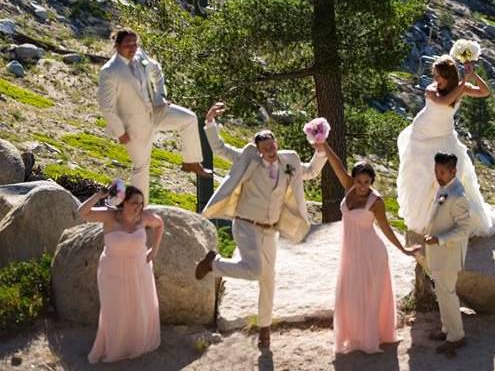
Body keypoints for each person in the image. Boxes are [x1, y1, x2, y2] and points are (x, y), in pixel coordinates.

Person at [194, 102, 327, 349]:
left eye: (272, 145)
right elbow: (220, 149)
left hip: (271, 229)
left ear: (276, 143)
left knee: (268, 279)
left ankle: (264, 328)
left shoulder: (290, 160)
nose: (270, 150)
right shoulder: (249, 157)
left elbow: (309, 172)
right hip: (246, 224)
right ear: (258, 149)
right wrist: (210, 123)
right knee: (255, 271)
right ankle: (214, 264)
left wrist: (320, 152)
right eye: (265, 147)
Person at [396, 55, 495, 299]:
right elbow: (445, 101)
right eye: (435, 76)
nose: (435, 79)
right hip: (423, 137)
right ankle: (426, 221)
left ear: (449, 76)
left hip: (445, 139)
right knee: (424, 181)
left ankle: (450, 220)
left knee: (456, 180)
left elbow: (485, 92)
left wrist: (471, 76)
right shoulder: (432, 90)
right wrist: (462, 85)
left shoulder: (460, 87)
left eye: (439, 76)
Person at [321, 142, 421, 354]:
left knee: (369, 296)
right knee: (349, 294)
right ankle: (354, 335)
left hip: (371, 254)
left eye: (367, 182)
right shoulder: (349, 188)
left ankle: (371, 337)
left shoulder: (376, 202)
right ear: (354, 180)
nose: (362, 186)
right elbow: (336, 164)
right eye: (359, 181)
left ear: (372, 182)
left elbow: (386, 229)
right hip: (350, 253)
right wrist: (323, 145)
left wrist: (403, 249)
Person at [97, 28, 212, 204]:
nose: (133, 47)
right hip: (134, 126)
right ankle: (140, 207)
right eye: (128, 44)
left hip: (156, 111)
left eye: (135, 43)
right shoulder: (110, 71)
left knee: (189, 119)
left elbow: (156, 70)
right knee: (141, 166)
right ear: (117, 45)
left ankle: (191, 161)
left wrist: (160, 96)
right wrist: (120, 132)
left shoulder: (140, 56)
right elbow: (106, 107)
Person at [79, 183, 164, 364]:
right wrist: (97, 196)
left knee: (139, 307)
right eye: (134, 202)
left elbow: (159, 224)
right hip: (112, 271)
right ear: (123, 202)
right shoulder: (109, 216)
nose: (138, 207)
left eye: (141, 203)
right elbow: (82, 213)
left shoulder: (143, 218)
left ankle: (135, 344)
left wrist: (154, 250)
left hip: (140, 269)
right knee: (115, 311)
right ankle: (115, 347)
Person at [423, 153, 473, 356]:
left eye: (442, 172)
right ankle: (446, 329)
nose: (438, 175)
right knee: (442, 294)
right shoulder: (445, 189)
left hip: (449, 255)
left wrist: (439, 239)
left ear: (453, 171)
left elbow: (463, 229)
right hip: (438, 254)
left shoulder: (458, 196)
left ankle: (457, 336)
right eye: (436, 171)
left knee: (448, 295)